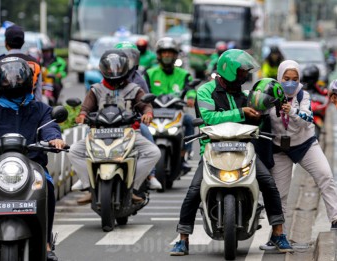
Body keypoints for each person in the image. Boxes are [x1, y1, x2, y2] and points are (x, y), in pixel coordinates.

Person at [170, 49, 293, 256]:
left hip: (244, 147)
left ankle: (279, 233)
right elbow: (208, 117)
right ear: (229, 71)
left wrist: (261, 112)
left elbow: (256, 121)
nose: (244, 76)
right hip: (212, 149)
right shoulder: (205, 91)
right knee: (193, 192)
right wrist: (240, 112)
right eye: (241, 72)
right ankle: (183, 238)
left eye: (245, 73)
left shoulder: (246, 96)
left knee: (269, 184)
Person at [0, 57, 66, 261]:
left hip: (33, 168)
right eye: (7, 77)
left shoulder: (41, 109)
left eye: (18, 76)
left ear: (29, 79)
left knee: (47, 188)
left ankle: (46, 241)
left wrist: (54, 139)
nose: (13, 81)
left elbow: (49, 127)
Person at [68, 49, 161, 204]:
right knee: (73, 151)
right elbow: (85, 108)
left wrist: (148, 114)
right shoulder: (96, 89)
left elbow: (146, 106)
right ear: (104, 69)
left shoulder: (134, 89)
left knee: (153, 152)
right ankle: (89, 184)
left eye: (118, 67)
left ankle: (133, 186)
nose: (114, 71)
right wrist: (82, 116)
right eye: (110, 68)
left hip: (129, 132)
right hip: (99, 133)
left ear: (125, 68)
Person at [269, 59, 337, 230]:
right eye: (286, 78)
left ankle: (335, 218)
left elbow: (306, 121)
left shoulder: (303, 95)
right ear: (279, 77)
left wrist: (291, 111)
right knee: (280, 193)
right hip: (280, 148)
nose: (290, 83)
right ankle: (278, 234)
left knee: (326, 177)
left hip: (305, 144)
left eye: (295, 79)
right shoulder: (269, 94)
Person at [114, 41, 162, 190]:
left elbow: (145, 101)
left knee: (147, 133)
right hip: (108, 121)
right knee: (87, 138)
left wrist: (146, 113)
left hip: (130, 121)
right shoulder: (108, 76)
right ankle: (87, 178)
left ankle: (151, 175)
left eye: (131, 57)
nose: (128, 61)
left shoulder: (138, 79)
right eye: (124, 57)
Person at [144, 37, 196, 173]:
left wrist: (191, 98)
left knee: (190, 121)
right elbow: (142, 91)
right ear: (159, 55)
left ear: (175, 55)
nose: (167, 55)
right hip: (154, 112)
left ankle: (184, 155)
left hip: (176, 112)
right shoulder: (150, 73)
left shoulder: (184, 74)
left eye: (170, 52)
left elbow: (190, 89)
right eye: (164, 52)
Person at [0, 24, 43, 102]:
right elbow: (38, 96)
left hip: (5, 111)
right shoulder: (35, 63)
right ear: (23, 42)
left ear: (5, 42)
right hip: (30, 110)